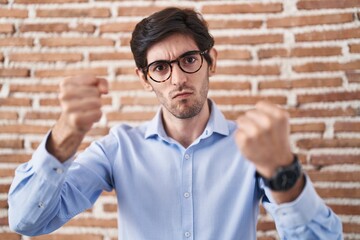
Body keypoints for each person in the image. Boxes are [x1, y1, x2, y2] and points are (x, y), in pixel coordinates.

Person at [8, 7, 342, 240]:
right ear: (144, 77)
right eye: (160, 68)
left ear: (211, 61)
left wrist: (284, 171)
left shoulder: (254, 146)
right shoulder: (118, 148)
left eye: (189, 60)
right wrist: (67, 132)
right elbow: (27, 221)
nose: (178, 78)